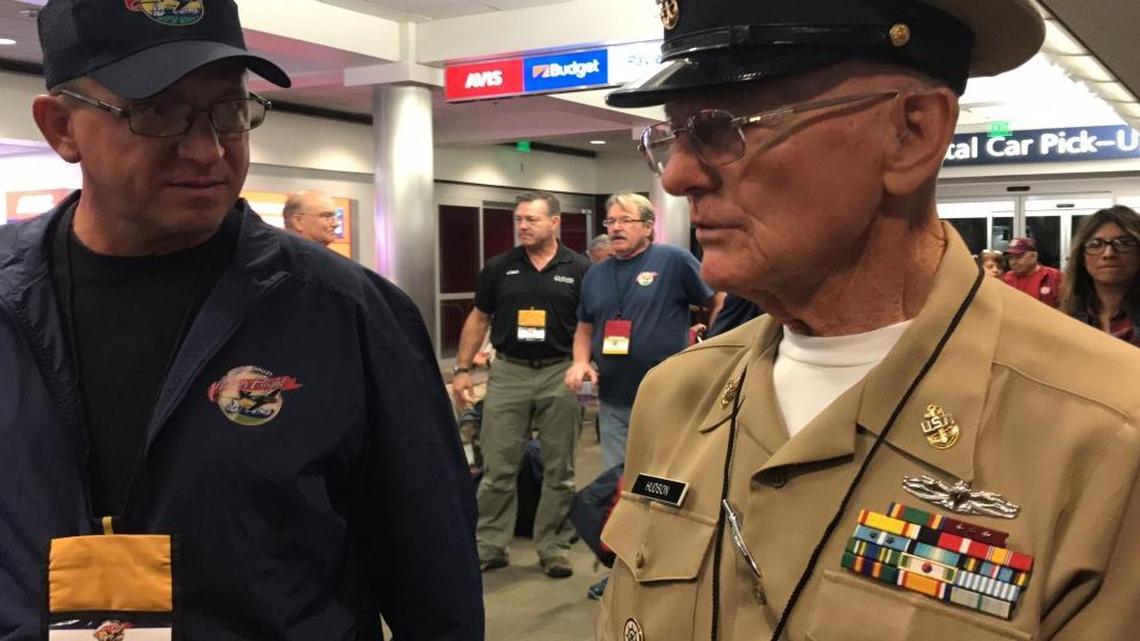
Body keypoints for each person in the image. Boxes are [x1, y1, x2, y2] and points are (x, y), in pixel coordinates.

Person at [595, 1, 1140, 640]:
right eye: (669, 137)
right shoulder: (676, 396)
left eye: (722, 127)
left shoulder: (1105, 434)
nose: (682, 175)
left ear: (911, 133)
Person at [0, 1, 483, 639]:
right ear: (61, 127)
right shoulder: (9, 298)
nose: (207, 150)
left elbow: (433, 572)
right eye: (158, 113)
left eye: (229, 110)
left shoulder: (348, 312)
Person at [451, 191, 591, 579]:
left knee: (559, 469)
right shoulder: (500, 267)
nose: (523, 226)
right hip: (509, 373)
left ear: (555, 222)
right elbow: (479, 318)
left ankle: (553, 547)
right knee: (498, 466)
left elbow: (589, 322)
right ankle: (490, 546)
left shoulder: (579, 267)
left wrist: (584, 363)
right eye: (519, 220)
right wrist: (462, 369)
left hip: (559, 371)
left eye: (531, 219)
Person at [565, 192, 721, 472]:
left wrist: (717, 340)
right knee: (617, 477)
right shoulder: (596, 274)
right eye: (610, 221)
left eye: (625, 220)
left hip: (667, 397)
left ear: (648, 227)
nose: (615, 227)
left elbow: (716, 298)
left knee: (666, 473)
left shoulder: (673, 260)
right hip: (614, 399)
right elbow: (584, 328)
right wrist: (580, 361)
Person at [1061, 205, 1140, 347]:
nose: (1108, 254)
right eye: (1095, 244)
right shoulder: (1066, 318)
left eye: (1124, 243)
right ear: (1081, 256)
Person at [1002, 236, 1063, 306]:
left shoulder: (1055, 276)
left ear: (1033, 256)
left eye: (1019, 257)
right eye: (1011, 257)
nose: (1013, 262)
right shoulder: (1007, 279)